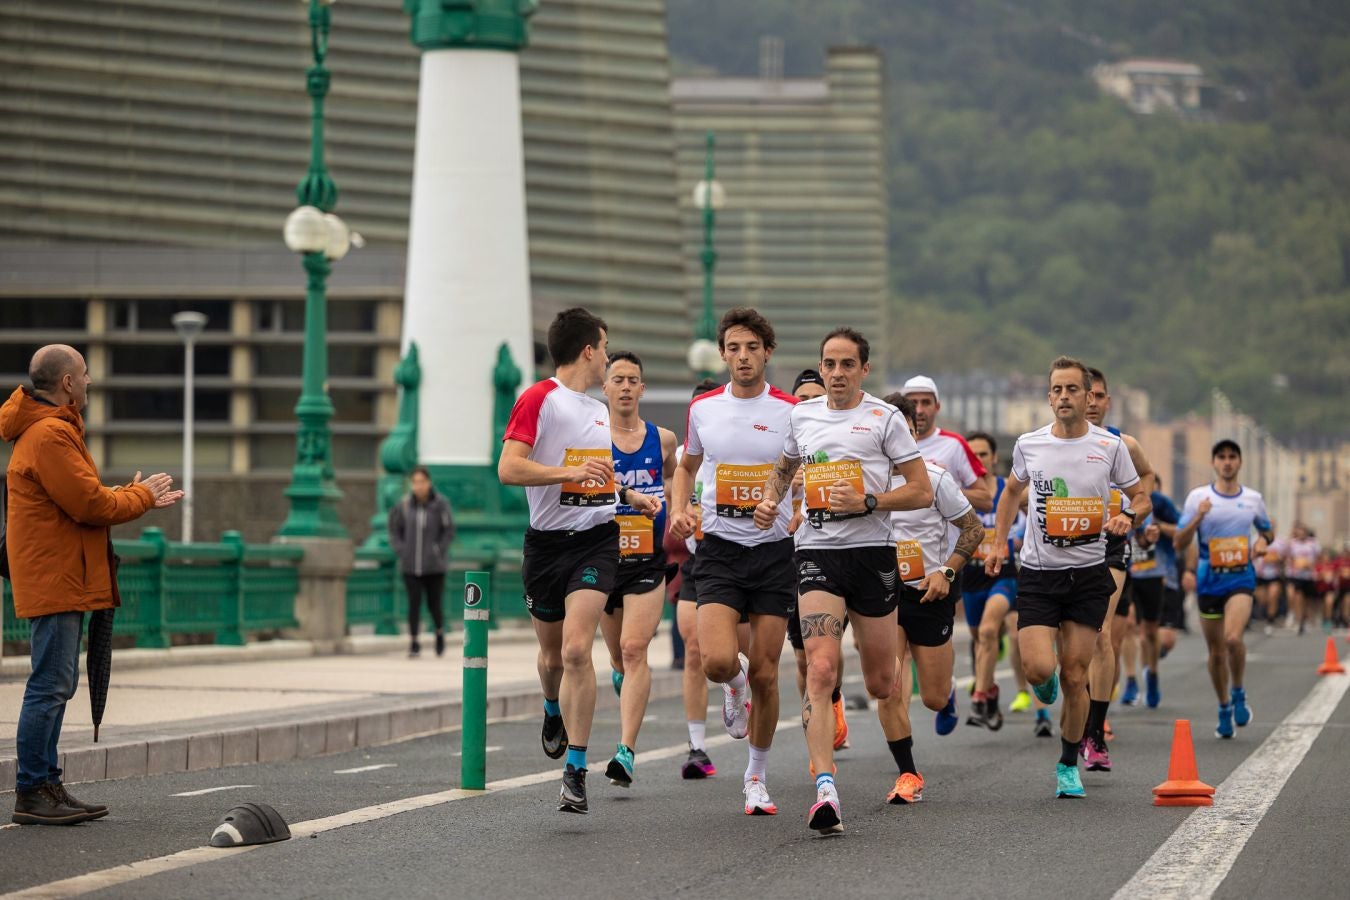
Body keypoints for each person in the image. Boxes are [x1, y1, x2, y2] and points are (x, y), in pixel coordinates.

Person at [754, 328, 932, 834]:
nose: (835, 373)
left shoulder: (884, 418)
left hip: (872, 554)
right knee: (820, 667)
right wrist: (771, 498)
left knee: (881, 680)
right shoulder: (802, 415)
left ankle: (908, 768)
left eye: (846, 364)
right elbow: (785, 467)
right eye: (828, 364)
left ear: (863, 370)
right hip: (816, 553)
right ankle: (825, 790)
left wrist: (870, 502)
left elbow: (919, 491)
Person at [3, 344, 182, 825]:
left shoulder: (51, 432)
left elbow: (83, 498)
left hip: (61, 572)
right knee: (50, 684)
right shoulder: (49, 436)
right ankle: (32, 790)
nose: (89, 380)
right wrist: (139, 497)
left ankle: (45, 783)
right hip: (56, 575)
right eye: (84, 373)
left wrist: (129, 494)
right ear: (66, 383)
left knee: (58, 682)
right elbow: (90, 507)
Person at [498, 308, 660, 814]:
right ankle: (551, 709)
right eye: (605, 347)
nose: (609, 356)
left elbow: (597, 479)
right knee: (550, 658)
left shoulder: (597, 411)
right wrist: (563, 476)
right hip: (546, 546)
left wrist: (630, 499)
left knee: (575, 652)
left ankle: (575, 767)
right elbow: (508, 468)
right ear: (588, 350)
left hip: (595, 541)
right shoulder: (538, 398)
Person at [985, 356, 1148, 799]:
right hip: (1039, 573)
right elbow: (1010, 493)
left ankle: (1067, 762)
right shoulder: (1030, 444)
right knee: (1041, 668)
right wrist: (1000, 542)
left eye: (1072, 390)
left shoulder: (1109, 447)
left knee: (1077, 675)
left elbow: (1140, 495)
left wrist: (1128, 516)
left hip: (1089, 574)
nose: (1063, 397)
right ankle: (1043, 682)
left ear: (1088, 395)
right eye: (1056, 390)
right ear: (1048, 396)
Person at [669, 308, 797, 818]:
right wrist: (680, 509)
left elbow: (806, 471)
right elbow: (687, 467)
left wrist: (782, 501)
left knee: (769, 674)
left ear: (767, 351)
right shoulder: (704, 409)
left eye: (752, 348)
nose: (743, 357)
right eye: (734, 348)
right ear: (723, 354)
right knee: (716, 659)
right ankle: (733, 683)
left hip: (772, 554)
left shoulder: (792, 411)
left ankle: (756, 778)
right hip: (719, 549)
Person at [877, 394, 982, 805]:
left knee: (933, 697)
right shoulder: (865, 481)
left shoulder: (935, 478)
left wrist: (948, 571)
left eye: (904, 427)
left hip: (929, 593)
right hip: (883, 594)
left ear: (914, 432)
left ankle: (949, 689)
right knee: (888, 687)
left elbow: (972, 530)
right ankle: (907, 773)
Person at [596, 351, 677, 787]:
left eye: (633, 380)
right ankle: (623, 680)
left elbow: (676, 479)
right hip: (604, 557)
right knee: (618, 659)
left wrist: (675, 510)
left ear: (642, 389)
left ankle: (625, 751)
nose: (625, 386)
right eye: (618, 379)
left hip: (648, 560)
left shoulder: (662, 439)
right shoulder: (593, 437)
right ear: (605, 388)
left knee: (634, 649)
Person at [1079, 367, 1156, 773]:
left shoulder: (1122, 443)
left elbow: (1145, 480)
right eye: (1084, 394)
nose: (1091, 402)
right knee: (1068, 647)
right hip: (1064, 549)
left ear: (1108, 402)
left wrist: (1130, 513)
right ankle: (1064, 700)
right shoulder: (1053, 443)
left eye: (1098, 396)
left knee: (1100, 633)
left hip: (1110, 547)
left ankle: (1093, 732)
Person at [899, 375, 994, 697]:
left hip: (941, 563)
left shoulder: (953, 445)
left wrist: (939, 488)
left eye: (926, 402)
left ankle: (945, 686)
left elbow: (984, 498)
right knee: (888, 679)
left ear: (937, 406)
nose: (920, 408)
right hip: (891, 575)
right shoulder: (876, 456)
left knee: (934, 695)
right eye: (913, 402)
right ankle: (901, 745)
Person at [1175, 440, 1274, 740]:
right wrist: (1198, 517)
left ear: (1239, 462)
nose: (1227, 462)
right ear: (1214, 462)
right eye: (1222, 457)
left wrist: (1261, 542)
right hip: (1209, 580)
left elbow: (1268, 530)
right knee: (1216, 653)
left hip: (1240, 577)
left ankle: (1239, 691)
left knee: (1233, 639)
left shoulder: (1253, 499)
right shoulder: (1198, 497)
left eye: (1232, 457)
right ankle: (1223, 707)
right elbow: (1179, 541)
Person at [785, 368, 852, 753]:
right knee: (801, 655)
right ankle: (816, 712)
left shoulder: (831, 439)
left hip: (827, 553)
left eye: (815, 395)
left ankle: (833, 699)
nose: (809, 403)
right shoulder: (788, 442)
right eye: (802, 398)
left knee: (825, 649)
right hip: (786, 558)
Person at [961, 431, 1025, 732]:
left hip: (1004, 576)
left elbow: (1026, 530)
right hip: (971, 577)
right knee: (980, 638)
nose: (978, 460)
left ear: (994, 458)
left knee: (988, 630)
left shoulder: (1008, 492)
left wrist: (1010, 543)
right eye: (971, 455)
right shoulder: (961, 493)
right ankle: (991, 691)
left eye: (983, 454)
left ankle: (978, 697)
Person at [388, 465, 455, 658]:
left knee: (434, 605)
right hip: (410, 565)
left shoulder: (440, 504)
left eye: (422, 482)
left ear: (429, 483)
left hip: (434, 566)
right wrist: (402, 550)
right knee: (413, 604)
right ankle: (414, 642)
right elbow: (395, 530)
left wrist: (438, 550)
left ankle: (439, 634)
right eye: (415, 482)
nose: (418, 486)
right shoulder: (404, 505)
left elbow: (448, 530)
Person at [1125, 476, 1181, 709]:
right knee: (1127, 625)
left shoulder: (1160, 502)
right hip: (1128, 573)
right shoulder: (1120, 498)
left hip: (1155, 575)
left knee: (1149, 631)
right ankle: (1130, 680)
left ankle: (1152, 675)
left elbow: (1182, 529)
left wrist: (1158, 526)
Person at [1283, 524, 1319, 634]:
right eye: (1299, 531)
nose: (1301, 534)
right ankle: (1296, 618)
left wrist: (1309, 564)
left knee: (1306, 600)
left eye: (1303, 531)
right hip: (1294, 575)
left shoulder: (1313, 543)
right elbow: (1286, 557)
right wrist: (1293, 563)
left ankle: (1305, 619)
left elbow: (1318, 558)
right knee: (1295, 596)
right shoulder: (1292, 544)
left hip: (1307, 576)